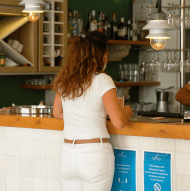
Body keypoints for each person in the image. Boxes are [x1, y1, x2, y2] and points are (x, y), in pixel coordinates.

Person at [53, 31, 132, 191]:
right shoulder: (103, 80)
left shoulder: (65, 79)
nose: (107, 58)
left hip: (68, 153)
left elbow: (57, 112)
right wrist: (128, 111)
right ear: (99, 54)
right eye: (106, 53)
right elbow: (118, 122)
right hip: (94, 156)